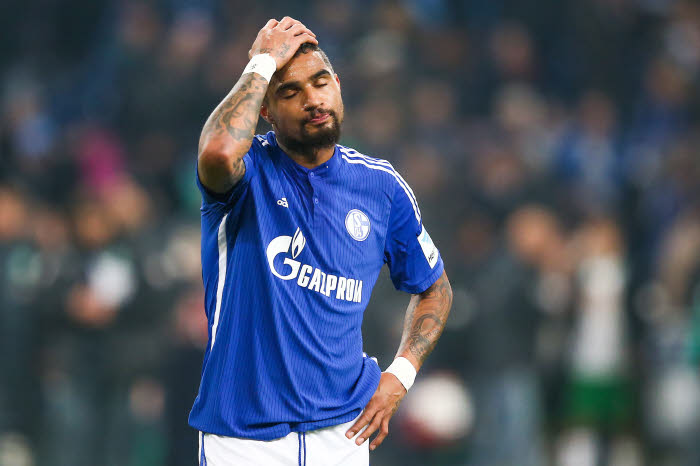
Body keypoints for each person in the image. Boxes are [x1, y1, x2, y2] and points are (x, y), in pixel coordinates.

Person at [190, 17, 452, 465]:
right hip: (242, 438)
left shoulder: (381, 186)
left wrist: (400, 376)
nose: (313, 99)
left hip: (343, 435)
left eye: (321, 82)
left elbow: (435, 289)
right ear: (266, 110)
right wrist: (261, 64)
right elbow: (216, 151)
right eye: (290, 92)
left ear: (338, 85)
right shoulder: (248, 173)